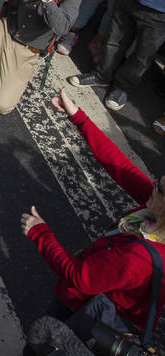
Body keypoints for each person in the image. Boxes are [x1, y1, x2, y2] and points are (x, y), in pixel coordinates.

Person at [22, 87, 165, 339]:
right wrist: (78, 116)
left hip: (86, 314)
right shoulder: (156, 210)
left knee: (43, 344)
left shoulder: (137, 258)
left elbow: (80, 278)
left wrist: (40, 233)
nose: (152, 183)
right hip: (100, 300)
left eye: (160, 187)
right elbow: (119, 166)